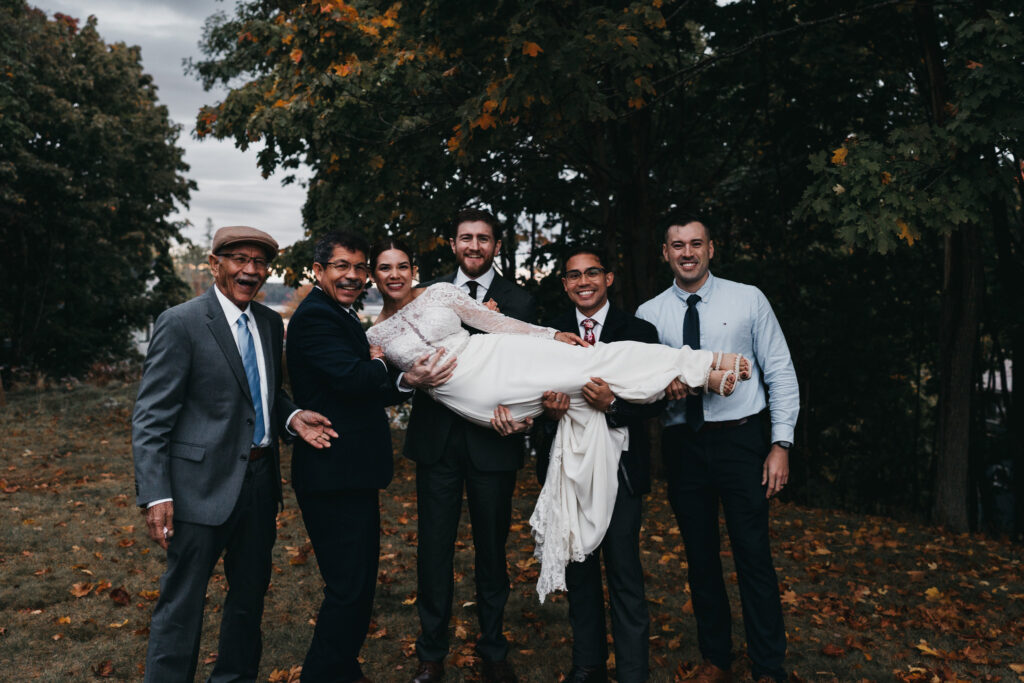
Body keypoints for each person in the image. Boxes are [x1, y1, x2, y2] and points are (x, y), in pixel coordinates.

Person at [366, 239, 746, 602]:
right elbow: (377, 383)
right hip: (467, 400)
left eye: (402, 265)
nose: (395, 274)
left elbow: (496, 324)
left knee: (589, 368)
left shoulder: (438, 293)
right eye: (385, 267)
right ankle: (689, 372)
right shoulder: (374, 333)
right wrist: (404, 379)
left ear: (414, 269)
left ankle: (699, 367)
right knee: (586, 377)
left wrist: (550, 335)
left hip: (492, 356)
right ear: (373, 274)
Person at [132, 226, 338, 682]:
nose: (250, 270)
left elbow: (261, 393)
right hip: (197, 491)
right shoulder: (182, 322)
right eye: (238, 259)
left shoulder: (267, 323)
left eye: (259, 262)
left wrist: (292, 416)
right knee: (181, 605)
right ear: (214, 263)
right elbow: (150, 418)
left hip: (260, 488)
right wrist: (156, 494)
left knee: (248, 602)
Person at [286, 231, 455, 683]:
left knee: (357, 587)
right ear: (319, 271)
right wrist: (380, 363)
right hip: (331, 470)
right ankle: (323, 675)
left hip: (351, 472)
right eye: (342, 266)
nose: (354, 276)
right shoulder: (316, 318)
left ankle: (343, 669)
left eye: (360, 268)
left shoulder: (339, 313)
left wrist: (397, 376)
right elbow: (353, 378)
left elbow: (366, 384)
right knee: (347, 589)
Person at [636, 216, 798, 683]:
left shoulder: (748, 299)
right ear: (664, 253)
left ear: (712, 249)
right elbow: (640, 385)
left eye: (696, 244)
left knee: (753, 555)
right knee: (700, 556)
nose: (687, 252)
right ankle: (716, 659)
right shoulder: (649, 315)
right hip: (683, 444)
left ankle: (769, 666)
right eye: (677, 245)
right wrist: (659, 390)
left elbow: (781, 373)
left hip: (742, 440)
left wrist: (780, 444)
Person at [394, 209, 539, 683]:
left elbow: (531, 369)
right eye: (465, 238)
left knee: (492, 551)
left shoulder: (520, 298)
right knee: (433, 551)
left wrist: (524, 418)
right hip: (437, 442)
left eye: (483, 239)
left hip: (492, 443)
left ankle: (493, 650)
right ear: (452, 244)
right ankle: (431, 654)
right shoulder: (428, 293)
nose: (473, 246)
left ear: (497, 245)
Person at [533, 247, 665, 683]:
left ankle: (632, 672)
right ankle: (587, 666)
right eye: (573, 275)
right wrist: (549, 414)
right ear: (566, 284)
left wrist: (614, 405)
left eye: (592, 273)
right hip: (567, 473)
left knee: (624, 571)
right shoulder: (547, 336)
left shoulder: (639, 331)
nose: (583, 282)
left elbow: (656, 399)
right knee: (580, 569)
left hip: (621, 472)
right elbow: (528, 394)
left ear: (609, 278)